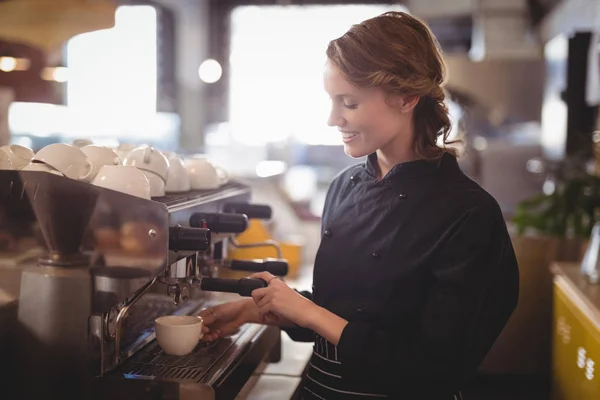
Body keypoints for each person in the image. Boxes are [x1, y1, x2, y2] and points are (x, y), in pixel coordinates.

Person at [199, 11, 519, 400]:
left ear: (406, 97)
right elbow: (353, 314)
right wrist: (266, 310)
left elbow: (436, 370)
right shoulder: (343, 188)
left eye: (348, 102)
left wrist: (310, 313)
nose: (333, 118)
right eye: (332, 101)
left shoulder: (469, 215)